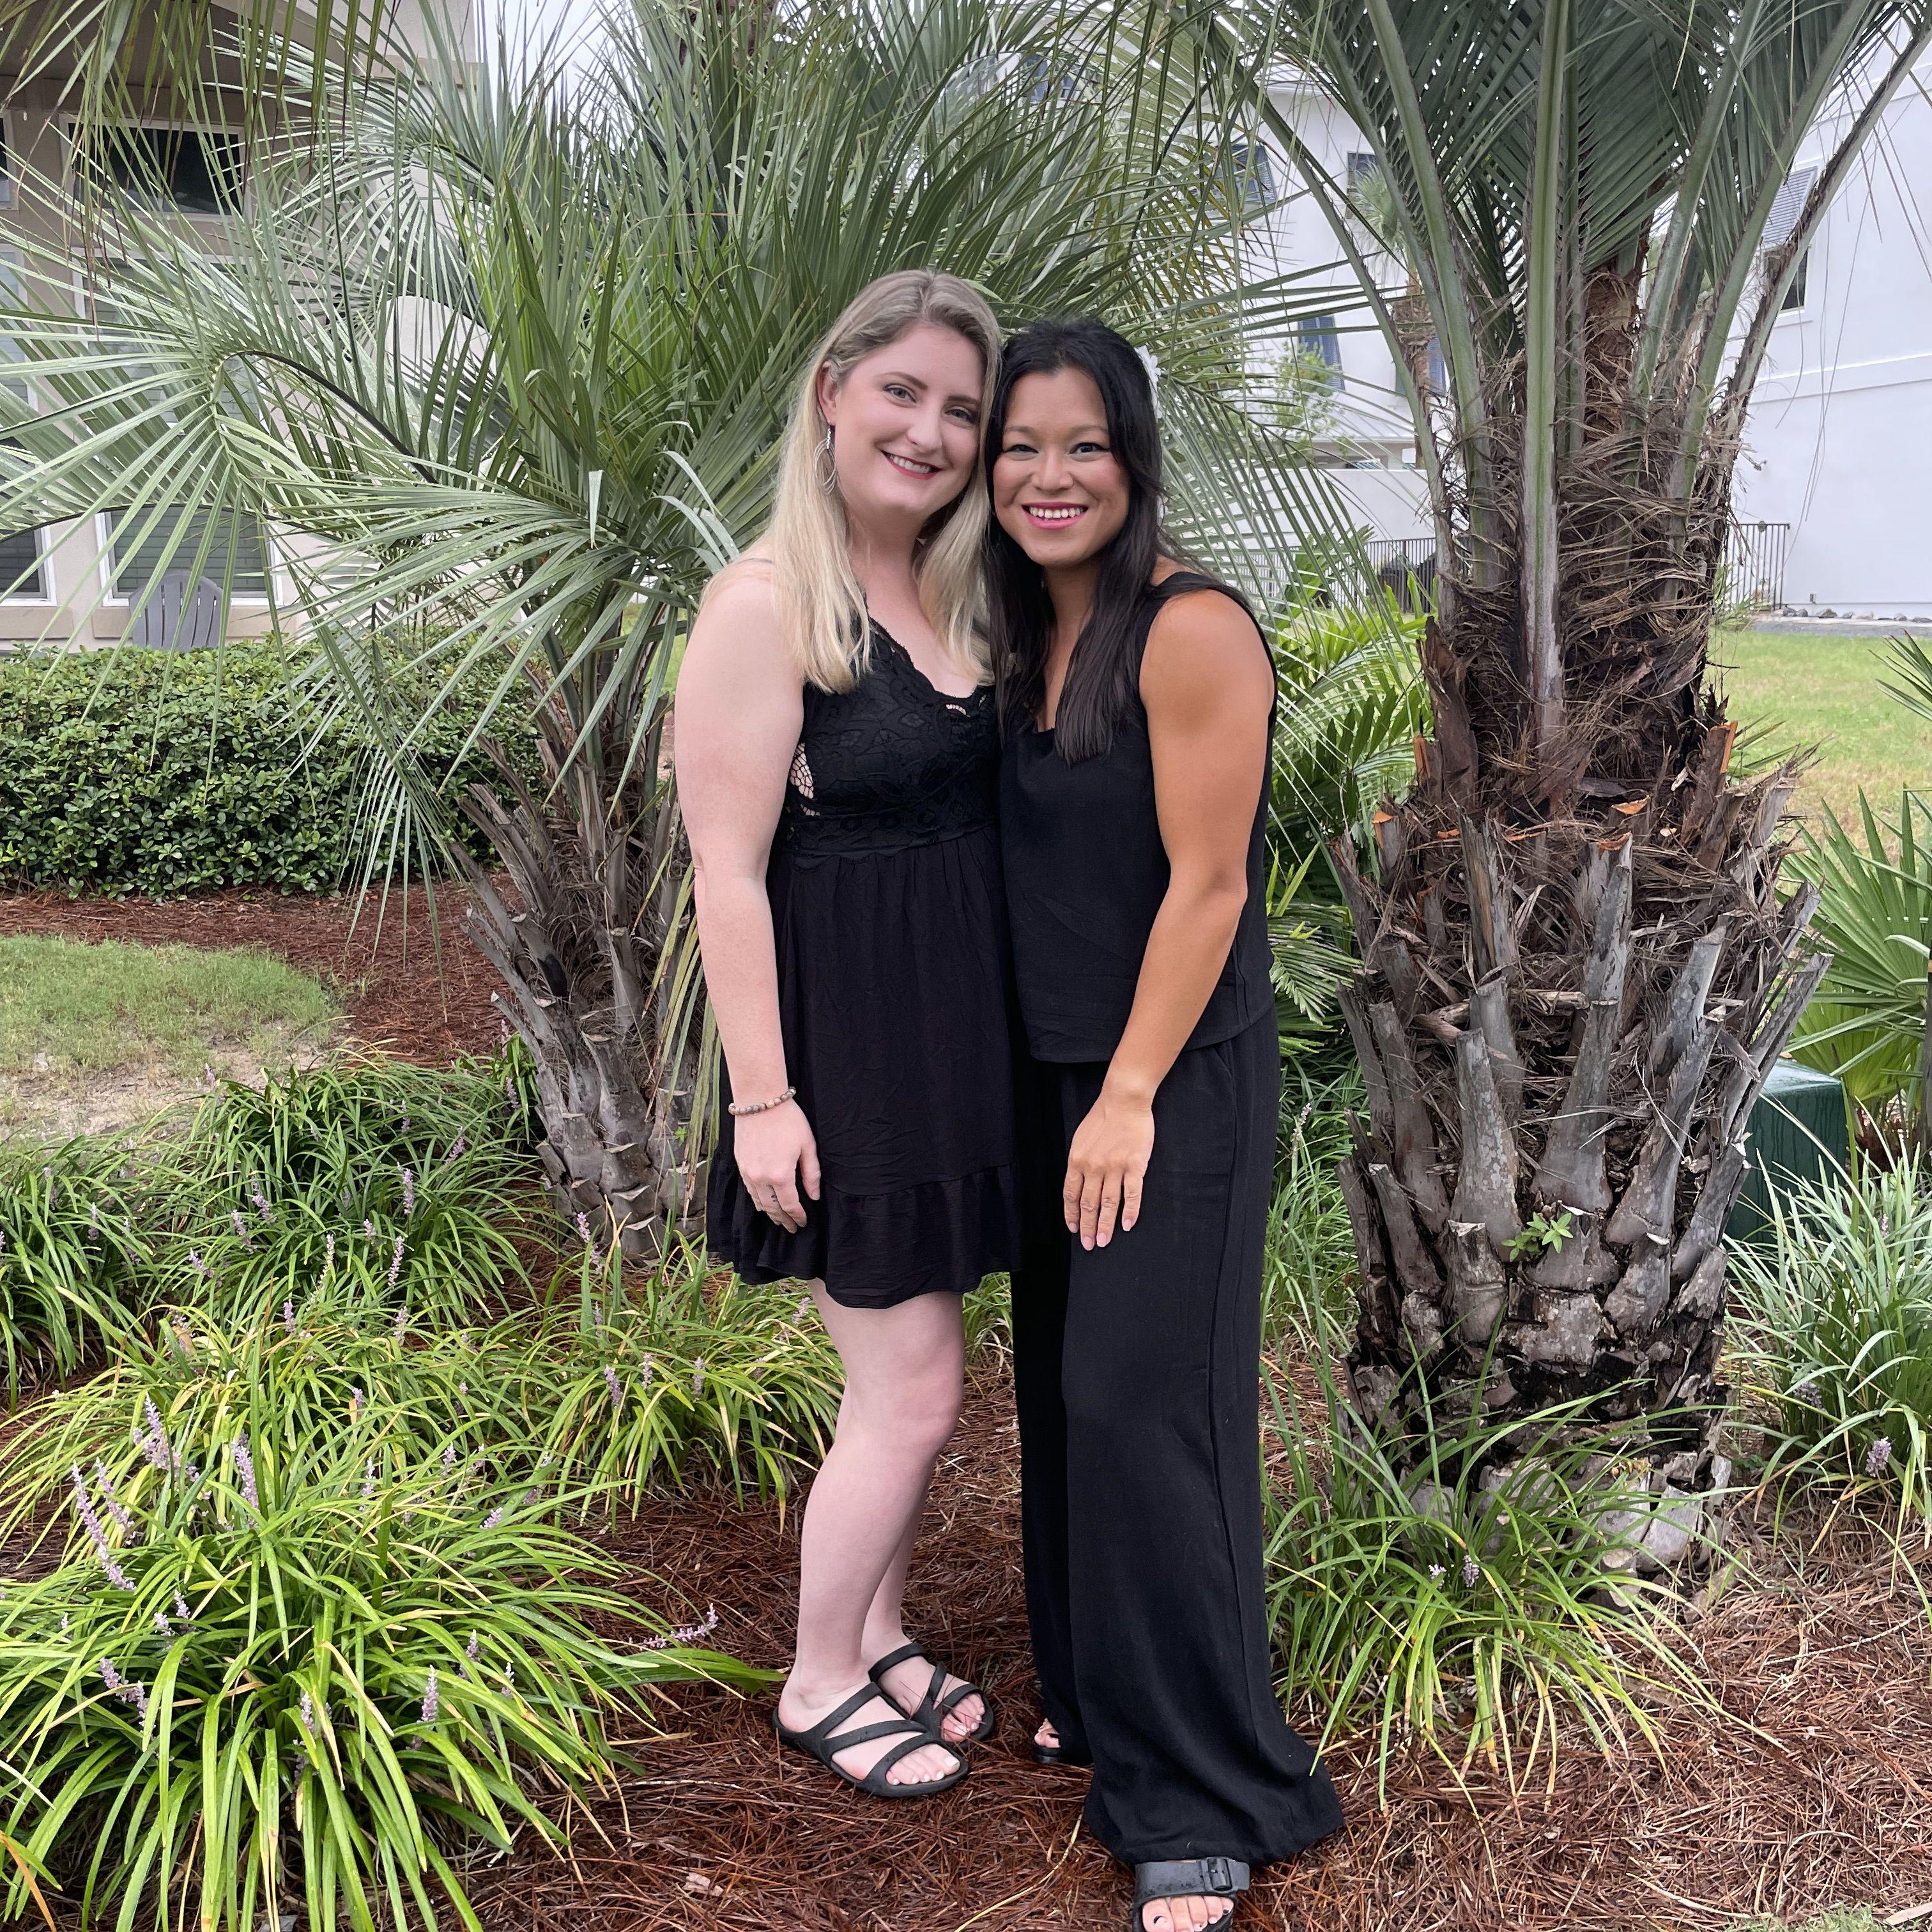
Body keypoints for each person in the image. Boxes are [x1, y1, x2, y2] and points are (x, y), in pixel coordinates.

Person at [988, 318, 1344, 1931]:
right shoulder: (1021, 632)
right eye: (1021, 446)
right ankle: (1100, 1694)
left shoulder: (1188, 629)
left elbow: (1210, 888)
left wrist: (1128, 1092)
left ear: (1133, 456)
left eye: (1083, 445)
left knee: (1147, 1411)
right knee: (1066, 1402)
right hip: (1055, 1078)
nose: (1048, 475)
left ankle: (1204, 1796)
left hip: (1168, 1078)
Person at [676, 271, 1018, 1800]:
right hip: (848, 1060)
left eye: (961, 410)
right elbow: (726, 874)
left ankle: (877, 1633)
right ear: (833, 392)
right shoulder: (763, 606)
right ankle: (819, 1678)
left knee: (899, 1386)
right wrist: (764, 1101)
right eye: (903, 393)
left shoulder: (961, 594)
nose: (930, 432)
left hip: (955, 1052)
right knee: (917, 1389)